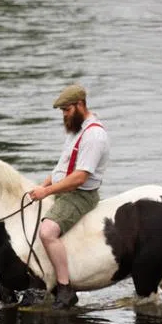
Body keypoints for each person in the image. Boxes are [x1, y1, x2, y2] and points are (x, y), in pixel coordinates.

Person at [27, 84, 110, 309]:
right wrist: (40, 187)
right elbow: (61, 169)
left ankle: (65, 288)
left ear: (80, 105)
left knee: (47, 231)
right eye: (62, 110)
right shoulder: (76, 131)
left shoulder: (94, 135)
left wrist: (46, 192)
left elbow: (79, 177)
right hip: (64, 189)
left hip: (80, 195)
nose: (64, 115)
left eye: (66, 110)